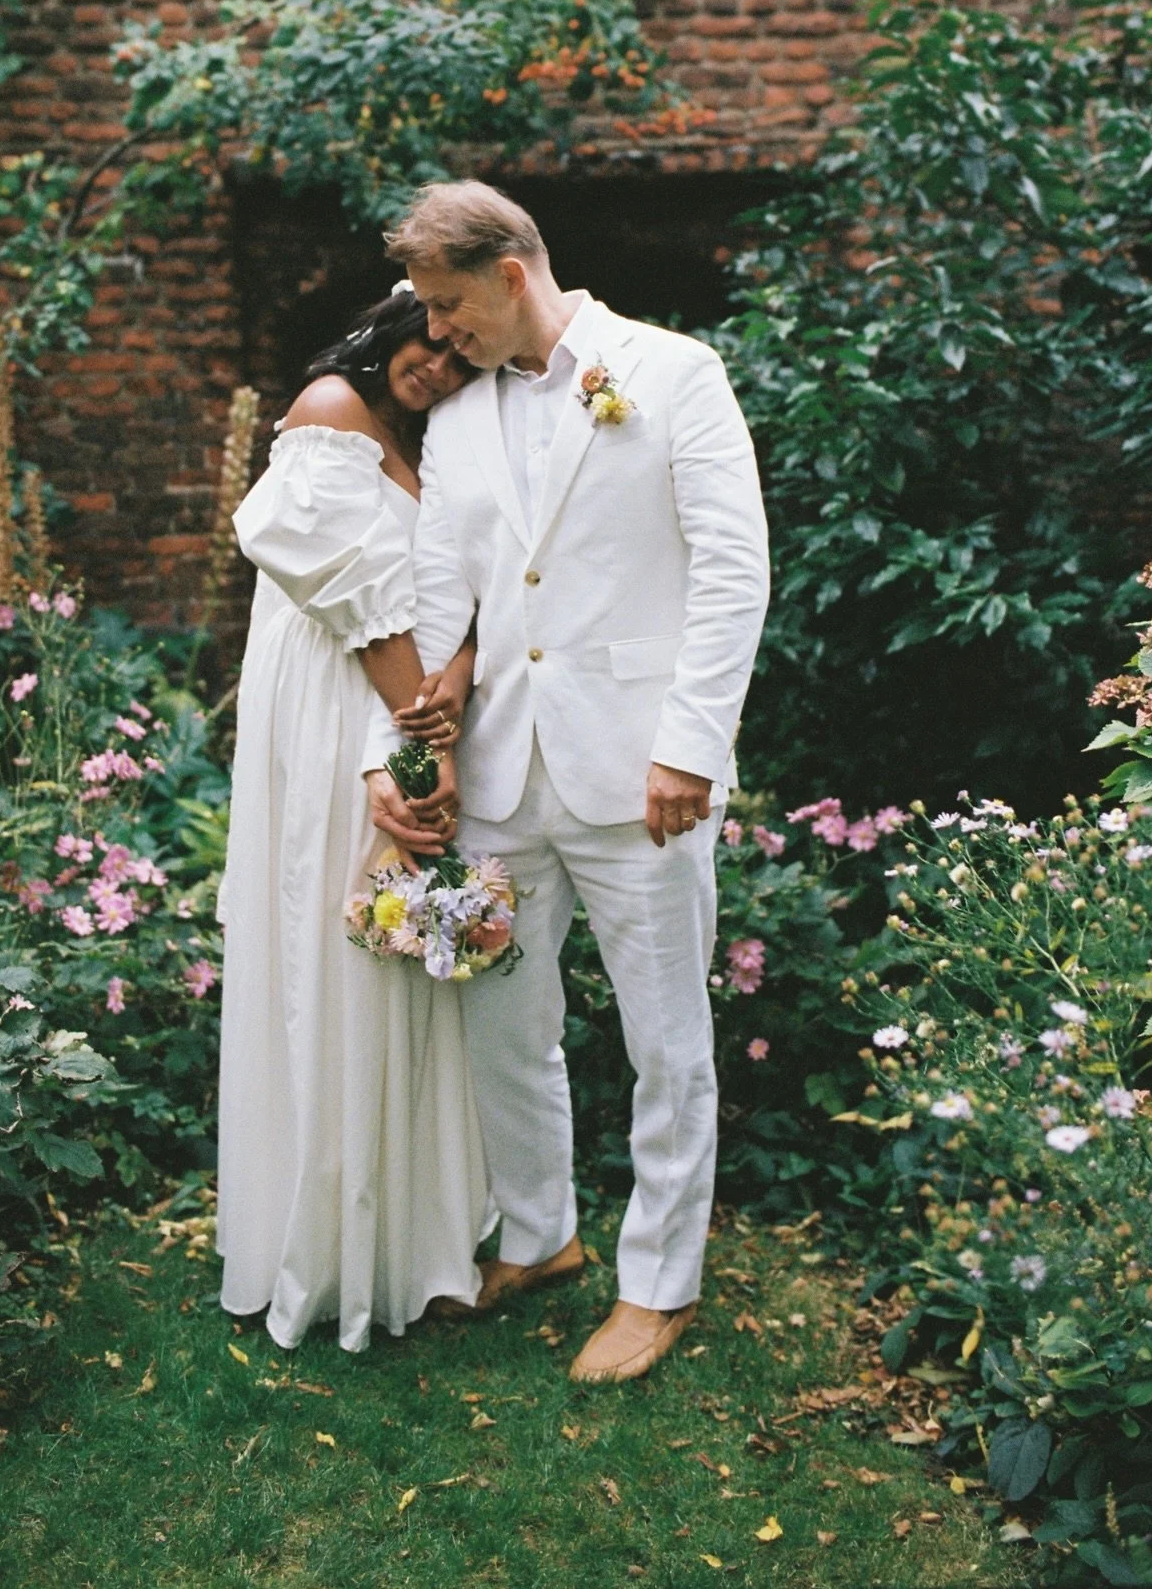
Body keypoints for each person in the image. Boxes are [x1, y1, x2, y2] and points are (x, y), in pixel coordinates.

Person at [363, 182, 770, 1384]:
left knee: (665, 1038)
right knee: (500, 1020)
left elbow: (733, 571)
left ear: (512, 272)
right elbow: (445, 594)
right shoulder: (460, 416)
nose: (438, 336)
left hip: (643, 770)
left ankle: (659, 1283)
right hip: (499, 770)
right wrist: (419, 762)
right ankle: (540, 1235)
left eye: (449, 306)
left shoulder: (674, 370)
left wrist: (690, 746)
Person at [216, 286, 488, 1353]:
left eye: (463, 359)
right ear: (391, 322)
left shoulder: (427, 441)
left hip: (398, 702)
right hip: (338, 711)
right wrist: (413, 740)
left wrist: (452, 685)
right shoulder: (330, 407)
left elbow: (453, 596)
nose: (441, 367)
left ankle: (408, 1240)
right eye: (433, 341)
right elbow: (358, 595)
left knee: (392, 951)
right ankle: (327, 1245)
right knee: (336, 947)